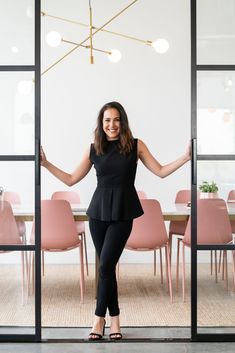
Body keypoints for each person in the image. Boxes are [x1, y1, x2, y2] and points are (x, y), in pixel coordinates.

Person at [40, 101, 191, 340]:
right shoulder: (94, 148)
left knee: (105, 266)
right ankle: (116, 321)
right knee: (106, 268)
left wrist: (185, 157)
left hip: (123, 212)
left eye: (116, 119)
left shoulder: (136, 146)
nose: (112, 124)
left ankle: (98, 320)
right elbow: (70, 179)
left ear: (123, 122)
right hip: (97, 214)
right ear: (101, 123)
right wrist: (45, 163)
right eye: (107, 120)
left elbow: (161, 171)